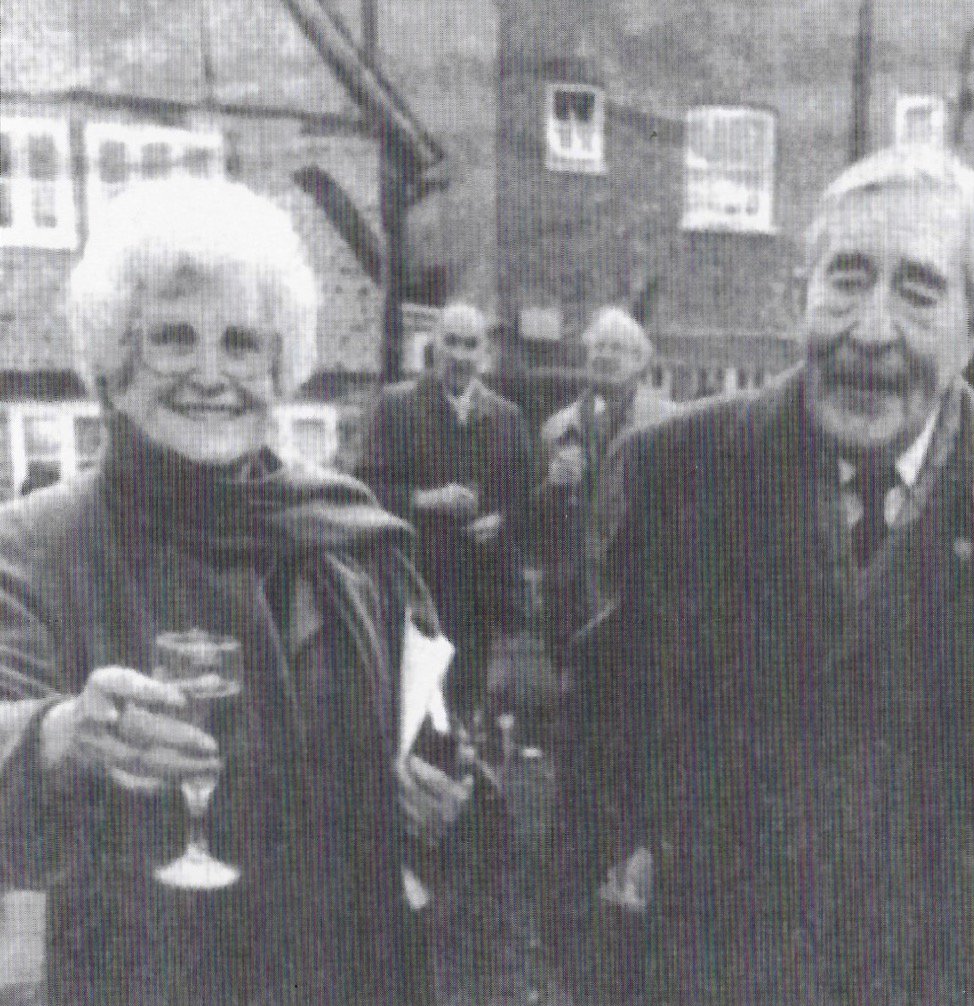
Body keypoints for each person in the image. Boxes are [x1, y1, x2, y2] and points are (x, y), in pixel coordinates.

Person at [573, 146, 974, 1002]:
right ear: (799, 293)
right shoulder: (678, 471)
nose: (872, 329)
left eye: (918, 291)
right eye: (846, 280)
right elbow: (603, 767)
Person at [0, 177, 452, 1005]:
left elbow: (432, 739)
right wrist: (64, 735)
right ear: (112, 363)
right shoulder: (34, 546)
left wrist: (450, 800)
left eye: (242, 343)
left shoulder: (353, 536)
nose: (211, 375)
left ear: (281, 366)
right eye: (173, 338)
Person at [357, 302, 534, 723]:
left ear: (484, 352)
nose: (459, 354)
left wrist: (502, 522)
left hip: (480, 596)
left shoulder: (508, 419)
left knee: (468, 717)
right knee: (412, 710)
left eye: (469, 344)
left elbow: (528, 504)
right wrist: (426, 500)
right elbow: (365, 490)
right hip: (415, 588)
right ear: (433, 345)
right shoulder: (396, 406)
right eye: (450, 341)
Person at [538, 307, 675, 668]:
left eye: (617, 348)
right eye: (598, 347)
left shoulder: (669, 426)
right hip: (571, 602)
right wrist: (552, 488)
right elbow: (533, 528)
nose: (604, 356)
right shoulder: (557, 429)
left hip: (641, 597)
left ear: (641, 362)